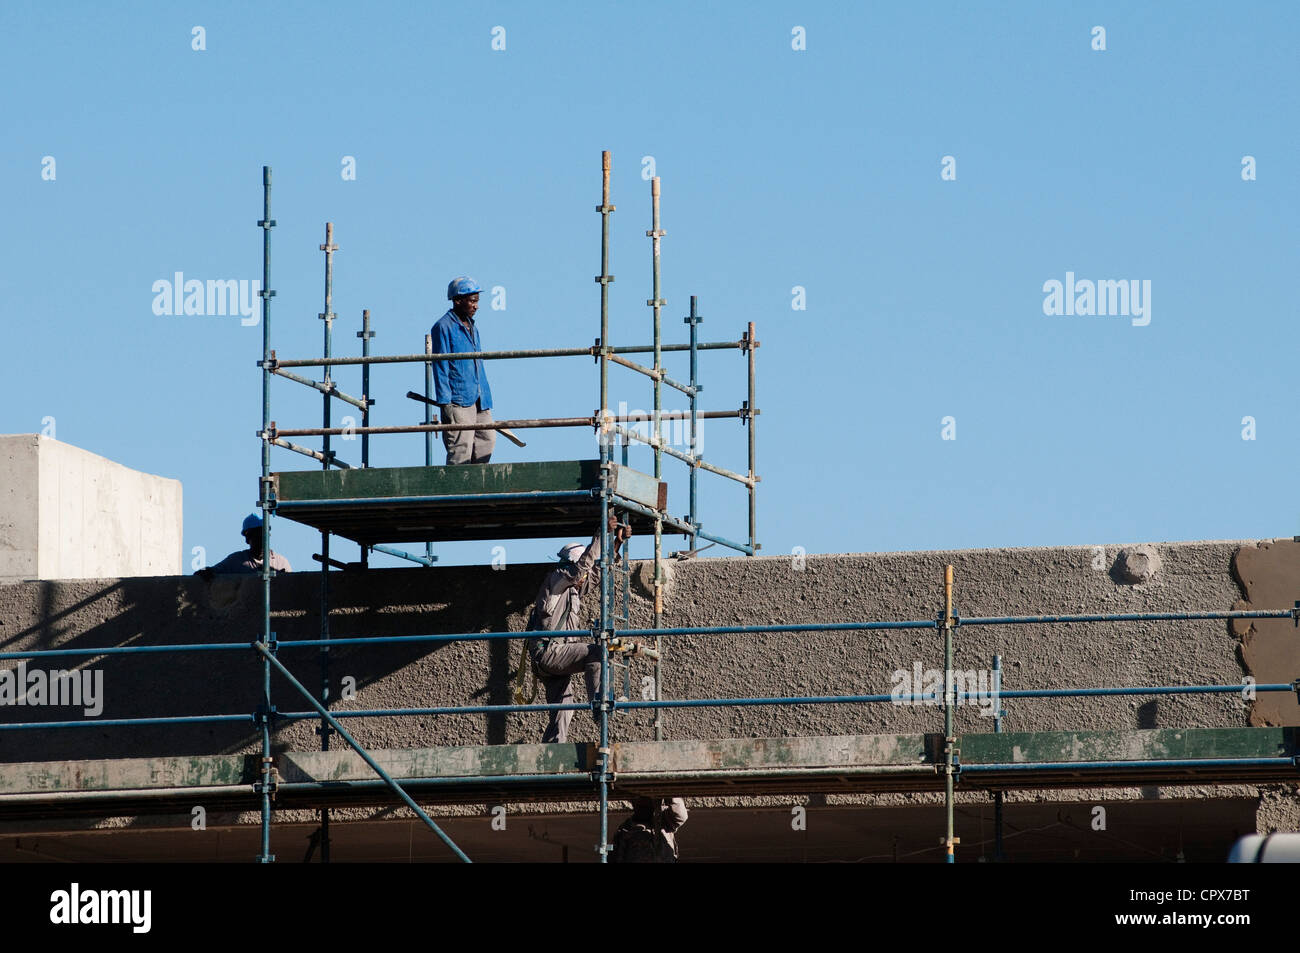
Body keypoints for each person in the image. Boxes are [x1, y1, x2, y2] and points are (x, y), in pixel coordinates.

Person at [525, 514, 632, 743]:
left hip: (552, 657)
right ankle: (600, 705)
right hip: (549, 653)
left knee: (564, 707)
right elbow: (582, 569)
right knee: (596, 652)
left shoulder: (570, 590)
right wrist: (601, 533)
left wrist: (616, 544)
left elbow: (594, 575)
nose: (584, 577)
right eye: (580, 570)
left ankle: (552, 750)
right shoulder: (556, 580)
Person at [431, 276, 495, 465]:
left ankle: (475, 488)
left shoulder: (472, 327)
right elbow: (440, 366)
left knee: (487, 440)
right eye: (472, 301)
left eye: (477, 301)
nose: (476, 306)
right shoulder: (443, 327)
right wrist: (445, 402)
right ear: (458, 300)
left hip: (480, 397)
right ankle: (459, 491)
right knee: (461, 448)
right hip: (458, 399)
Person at [197, 513, 292, 577]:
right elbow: (213, 571)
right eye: (257, 537)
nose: (262, 542)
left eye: (264, 537)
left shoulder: (281, 563)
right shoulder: (236, 560)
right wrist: (204, 571)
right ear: (248, 539)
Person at [610, 797, 689, 863]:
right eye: (641, 802)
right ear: (634, 803)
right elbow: (616, 858)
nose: (645, 804)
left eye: (649, 801)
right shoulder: (625, 829)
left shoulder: (663, 820)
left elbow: (680, 815)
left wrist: (669, 795)